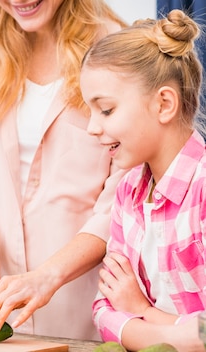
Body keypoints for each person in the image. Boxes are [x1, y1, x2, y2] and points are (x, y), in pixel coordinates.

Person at [0, 0, 128, 340]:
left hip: (87, 314)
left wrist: (48, 276)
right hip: (2, 316)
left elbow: (118, 204)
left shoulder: (115, 52)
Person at [81, 9, 206, 351]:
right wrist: (179, 334)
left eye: (105, 110)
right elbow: (104, 309)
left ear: (164, 104)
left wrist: (141, 311)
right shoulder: (127, 194)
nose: (92, 127)